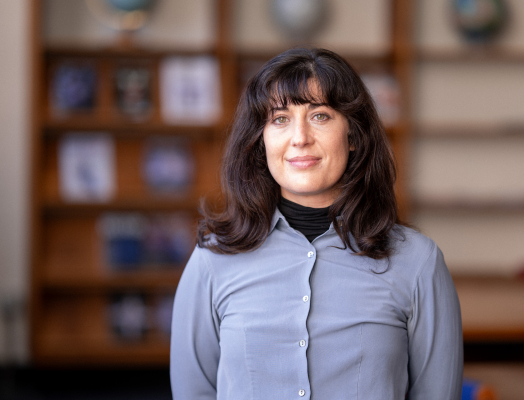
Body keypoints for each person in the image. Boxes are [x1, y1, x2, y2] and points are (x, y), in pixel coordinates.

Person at [170, 47, 463, 400]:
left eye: (320, 116)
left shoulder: (418, 262)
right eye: (280, 118)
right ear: (260, 140)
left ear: (353, 136)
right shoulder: (213, 260)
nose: (299, 138)